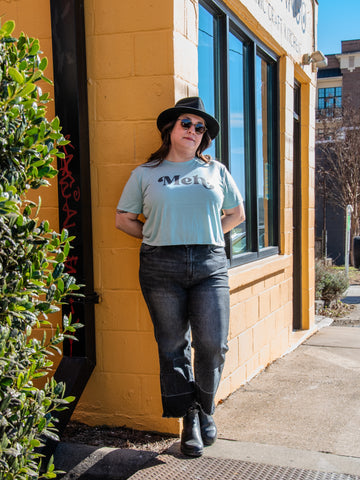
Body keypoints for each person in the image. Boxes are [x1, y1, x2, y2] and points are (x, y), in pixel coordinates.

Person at [115, 97, 245, 457]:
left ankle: (205, 408)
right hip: (161, 266)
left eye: (199, 127)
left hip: (209, 264)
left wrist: (211, 233)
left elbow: (236, 213)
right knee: (173, 347)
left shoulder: (215, 171)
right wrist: (158, 235)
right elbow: (123, 218)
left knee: (213, 344)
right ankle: (188, 419)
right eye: (186, 124)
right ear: (169, 130)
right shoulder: (145, 174)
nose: (193, 131)